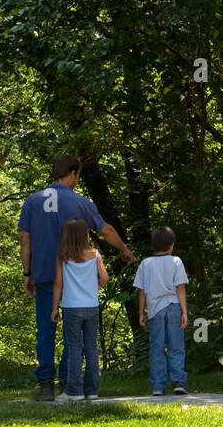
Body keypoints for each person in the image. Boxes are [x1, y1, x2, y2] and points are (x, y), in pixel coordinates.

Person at [18, 155, 135, 401]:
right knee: (73, 333)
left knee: (46, 330)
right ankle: (68, 380)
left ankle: (45, 385)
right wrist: (124, 250)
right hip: (73, 277)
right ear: (72, 174)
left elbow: (25, 241)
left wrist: (27, 273)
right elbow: (106, 231)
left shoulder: (32, 202)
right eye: (77, 175)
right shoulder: (81, 202)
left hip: (43, 273)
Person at [50, 219, 110, 402]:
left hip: (71, 307)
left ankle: (74, 391)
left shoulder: (63, 256)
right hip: (91, 306)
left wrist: (55, 307)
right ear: (85, 235)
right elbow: (105, 277)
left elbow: (58, 284)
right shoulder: (95, 254)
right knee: (91, 347)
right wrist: (96, 286)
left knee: (75, 348)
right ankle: (92, 390)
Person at [134, 226, 189, 396]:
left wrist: (141, 312)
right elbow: (180, 287)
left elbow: (141, 290)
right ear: (171, 245)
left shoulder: (145, 263)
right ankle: (179, 381)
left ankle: (157, 386)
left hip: (154, 310)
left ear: (153, 245)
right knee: (176, 346)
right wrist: (184, 312)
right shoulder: (176, 261)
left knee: (157, 348)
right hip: (173, 307)